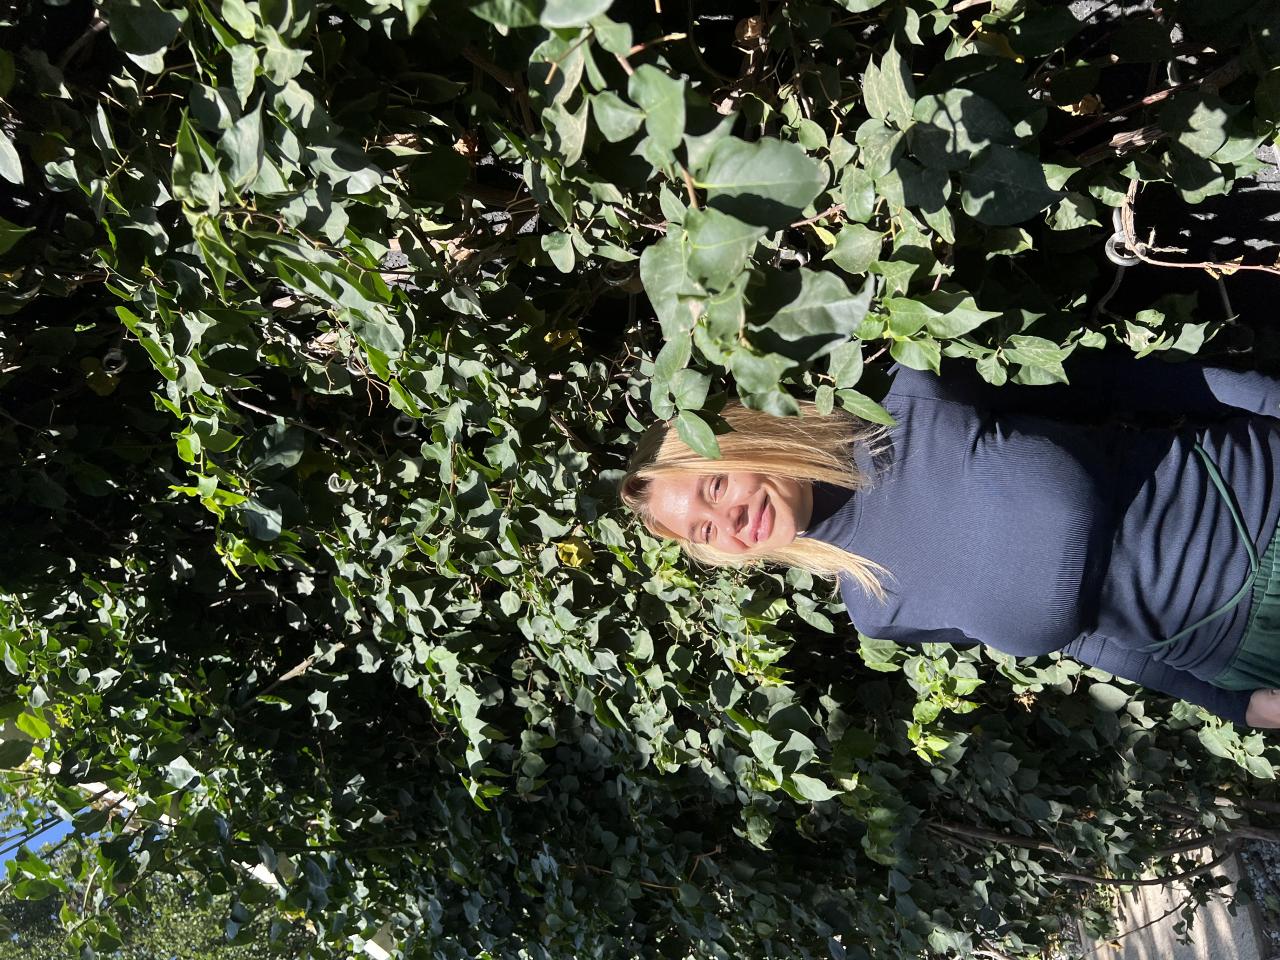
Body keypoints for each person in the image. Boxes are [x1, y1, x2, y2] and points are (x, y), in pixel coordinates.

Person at [619, 353, 1280, 727]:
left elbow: (1125, 379)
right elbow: (1082, 635)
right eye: (704, 531)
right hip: (1237, 656)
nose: (729, 521)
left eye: (714, 486)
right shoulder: (876, 607)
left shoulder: (916, 396)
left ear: (742, 440)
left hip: (1261, 503)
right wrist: (1234, 703)